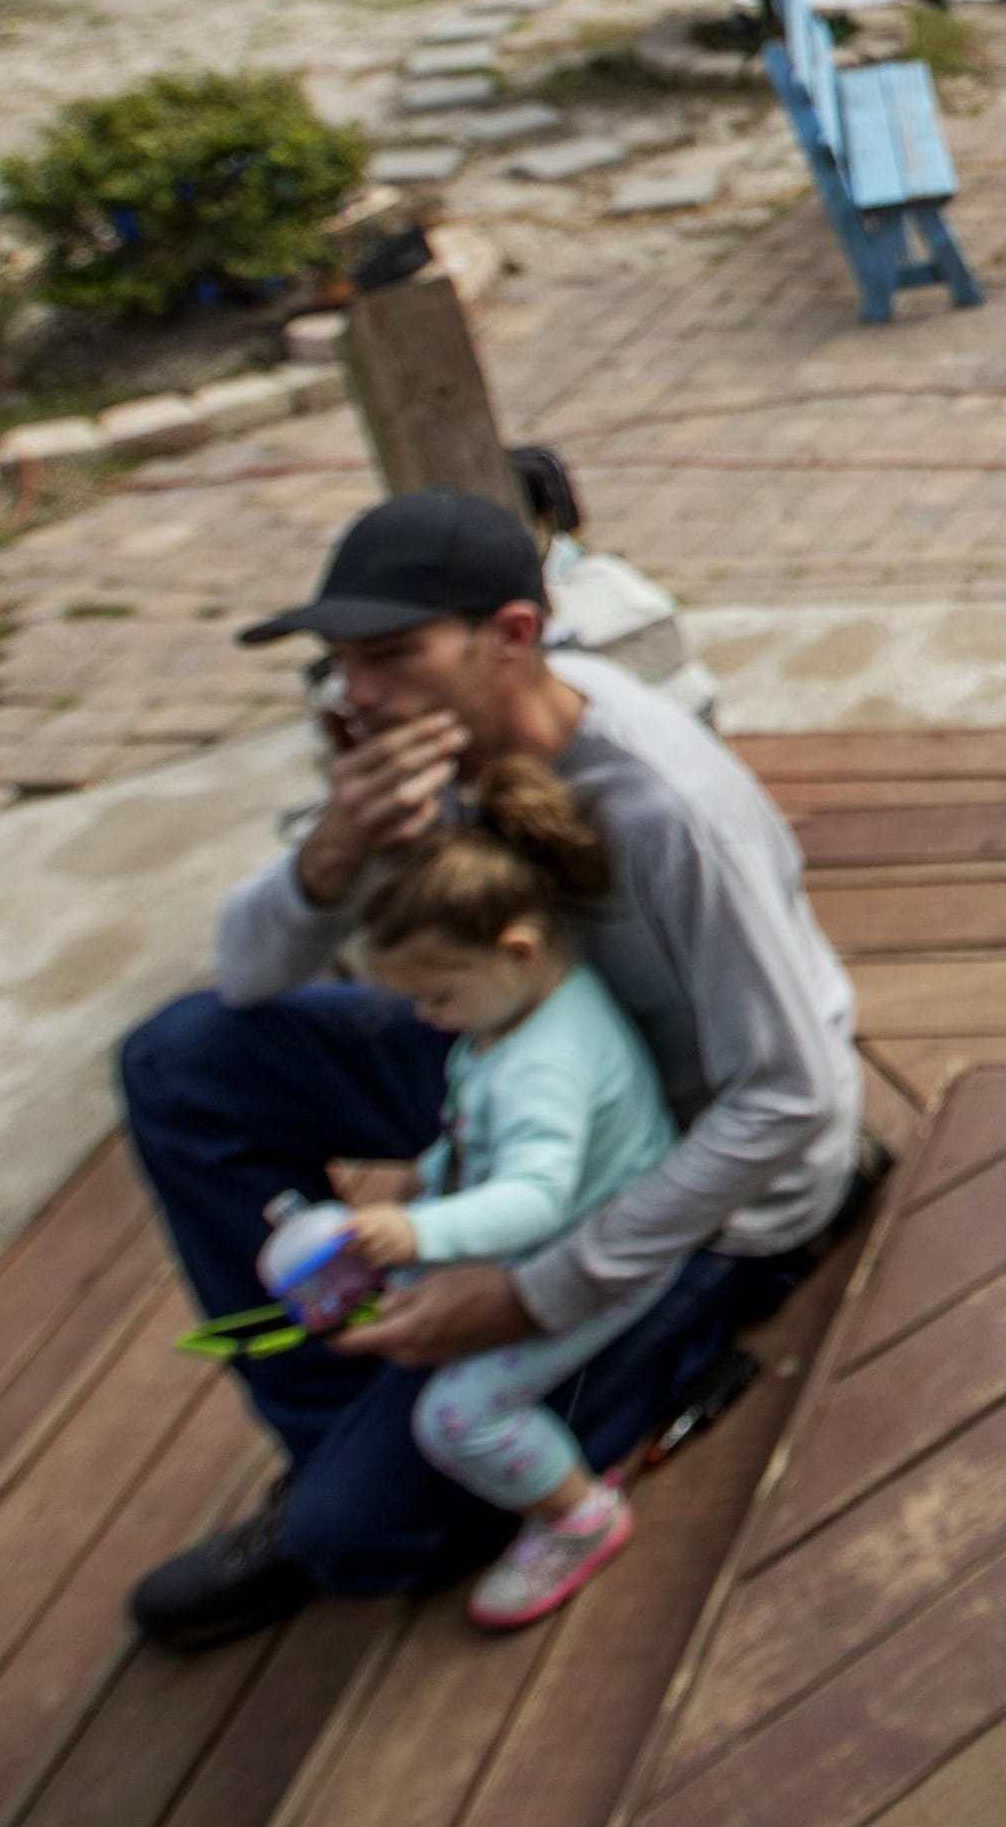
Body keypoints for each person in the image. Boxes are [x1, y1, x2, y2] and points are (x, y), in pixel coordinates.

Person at [118, 488, 866, 1645]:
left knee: (353, 1542)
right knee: (182, 1057)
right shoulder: (430, 742)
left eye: (388, 656)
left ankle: (377, 1474)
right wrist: (336, 847)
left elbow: (790, 1093)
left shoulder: (666, 807)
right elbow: (248, 973)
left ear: (512, 635)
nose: (353, 692)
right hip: (521, 1068)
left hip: (702, 1177)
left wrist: (535, 1288)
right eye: (337, 663)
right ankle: (337, 1425)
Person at [321, 754, 680, 1629]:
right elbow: (471, 1130)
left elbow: (535, 1201)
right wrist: (415, 1191)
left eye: (438, 996)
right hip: (536, 1231)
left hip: (598, 1257)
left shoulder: (542, 1065)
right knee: (393, 1313)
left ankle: (577, 1517)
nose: (427, 1018)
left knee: (456, 1418)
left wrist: (417, 1235)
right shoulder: (516, 1007)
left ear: (515, 950)